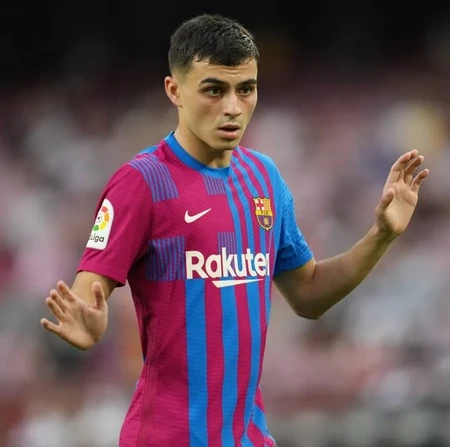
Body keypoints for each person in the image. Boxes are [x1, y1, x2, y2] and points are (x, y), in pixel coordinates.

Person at [40, 13, 429, 447]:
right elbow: (87, 292)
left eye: (246, 89)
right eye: (214, 90)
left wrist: (381, 235)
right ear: (175, 90)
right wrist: (87, 323)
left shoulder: (264, 178)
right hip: (168, 438)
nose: (233, 107)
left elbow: (309, 293)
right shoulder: (141, 183)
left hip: (249, 437)